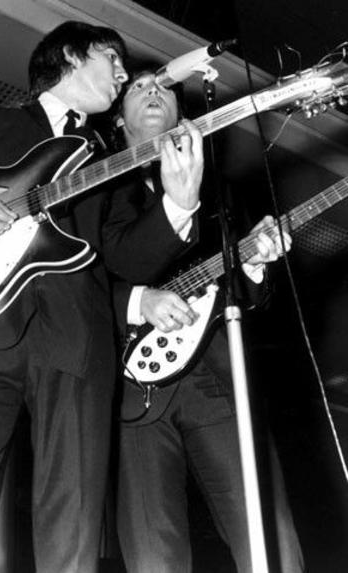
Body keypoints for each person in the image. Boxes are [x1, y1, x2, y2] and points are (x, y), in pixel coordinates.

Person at [0, 22, 197, 573]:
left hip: (77, 345)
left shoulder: (106, 161)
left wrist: (177, 206)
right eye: (112, 60)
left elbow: (126, 258)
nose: (123, 76)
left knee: (71, 533)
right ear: (70, 54)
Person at [112, 70, 305, 572]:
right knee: (153, 548)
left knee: (266, 531)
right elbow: (75, 283)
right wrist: (138, 301)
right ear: (117, 118)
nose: (154, 92)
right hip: (132, 388)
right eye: (138, 87)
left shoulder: (221, 194)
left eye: (164, 89)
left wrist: (257, 262)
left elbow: (244, 292)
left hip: (217, 377)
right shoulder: (95, 192)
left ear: (185, 118)